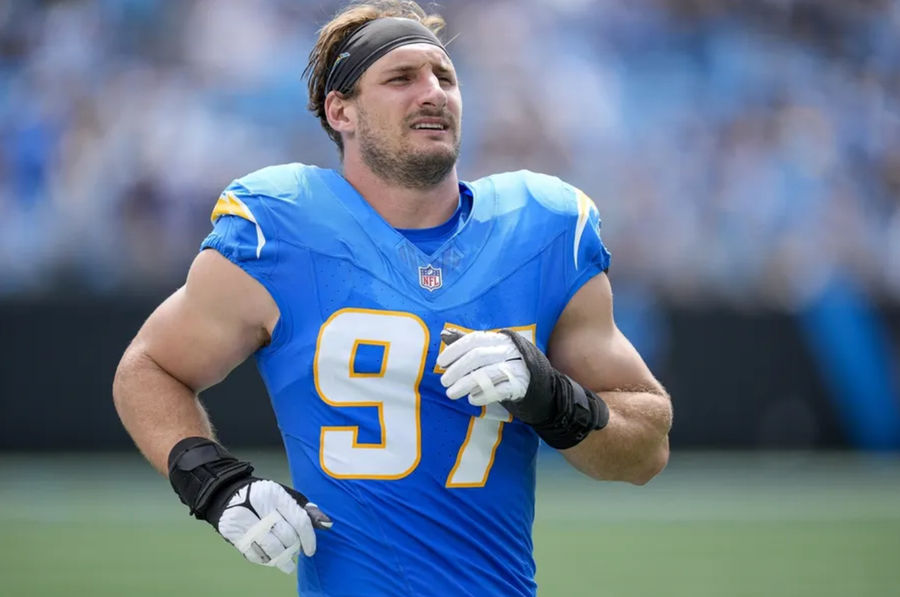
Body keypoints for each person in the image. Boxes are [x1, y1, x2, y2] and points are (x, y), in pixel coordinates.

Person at [112, 1, 673, 595]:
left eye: (445, 77)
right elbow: (148, 368)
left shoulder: (543, 228)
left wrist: (556, 398)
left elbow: (647, 449)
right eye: (401, 78)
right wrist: (214, 481)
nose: (433, 93)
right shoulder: (284, 226)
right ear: (341, 110)